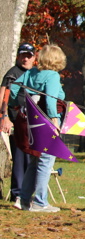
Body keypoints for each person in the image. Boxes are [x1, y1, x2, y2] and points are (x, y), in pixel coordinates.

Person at [10, 44, 67, 213]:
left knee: (35, 162)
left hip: (31, 122)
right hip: (46, 122)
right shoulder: (53, 76)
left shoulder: (31, 72)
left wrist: (16, 104)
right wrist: (55, 121)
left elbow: (13, 89)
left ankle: (24, 199)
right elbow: (50, 101)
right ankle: (40, 202)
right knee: (45, 161)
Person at [1, 43, 36, 207]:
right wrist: (5, 117)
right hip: (16, 122)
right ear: (18, 56)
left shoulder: (35, 74)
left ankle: (28, 194)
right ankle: (17, 193)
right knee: (20, 158)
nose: (26, 59)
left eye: (29, 56)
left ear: (34, 58)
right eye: (23, 55)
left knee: (31, 158)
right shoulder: (12, 74)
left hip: (32, 123)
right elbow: (3, 97)